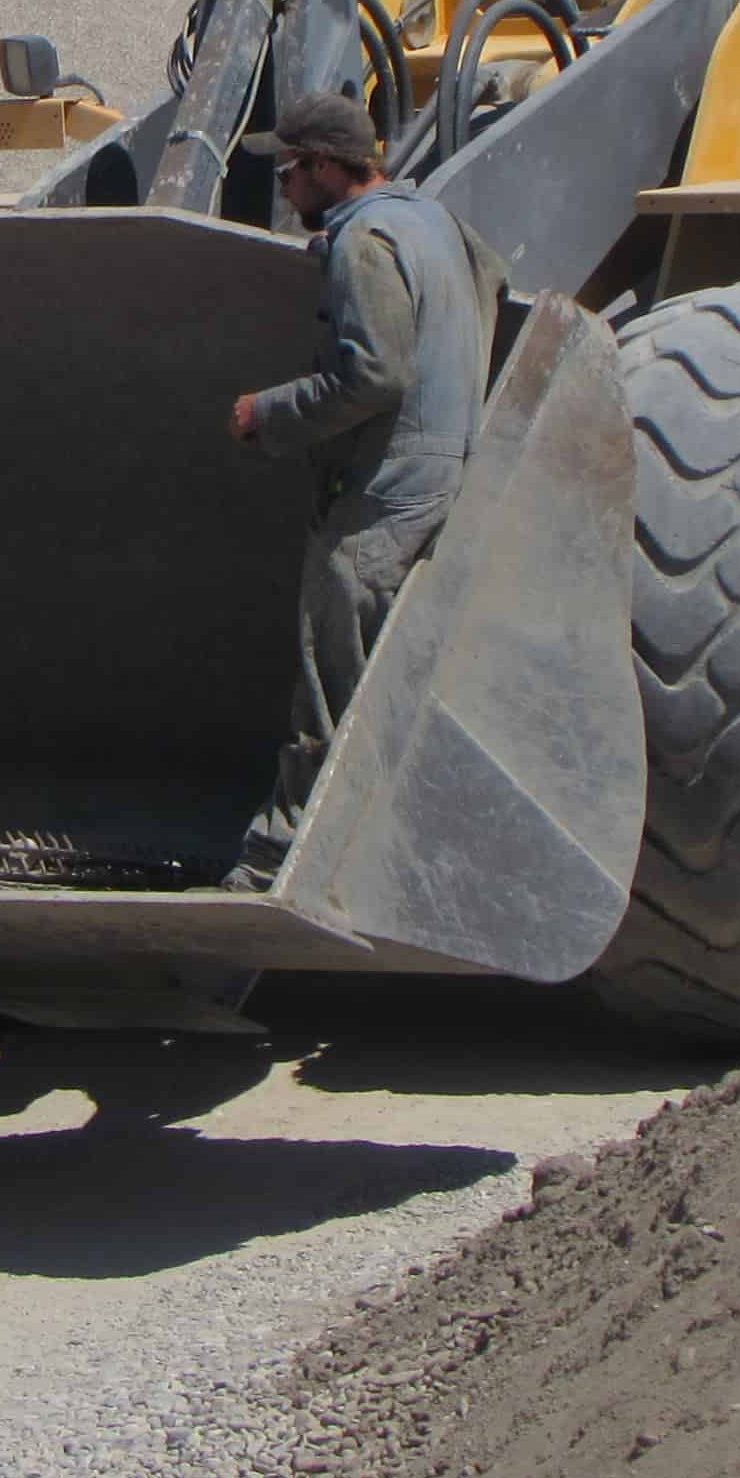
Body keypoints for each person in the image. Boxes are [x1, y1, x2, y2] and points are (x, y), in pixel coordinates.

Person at [222, 92, 510, 885]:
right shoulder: (431, 221)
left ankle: (282, 860)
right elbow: (492, 282)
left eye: (288, 173)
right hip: (442, 470)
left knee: (330, 667)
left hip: (386, 490)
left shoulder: (365, 243)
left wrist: (268, 414)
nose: (284, 190)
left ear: (322, 167)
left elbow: (375, 375)